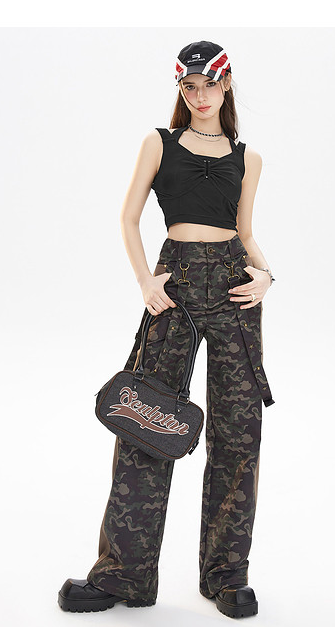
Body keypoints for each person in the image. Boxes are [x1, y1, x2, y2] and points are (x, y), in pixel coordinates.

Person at [58, 40, 276, 619]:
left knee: (238, 434)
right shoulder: (159, 142)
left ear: (226, 85)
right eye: (190, 86)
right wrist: (145, 282)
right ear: (182, 89)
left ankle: (226, 576)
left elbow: (245, 232)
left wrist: (266, 276)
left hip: (232, 286)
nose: (201, 96)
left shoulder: (248, 158)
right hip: (172, 285)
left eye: (210, 85)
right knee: (146, 420)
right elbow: (129, 217)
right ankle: (123, 576)